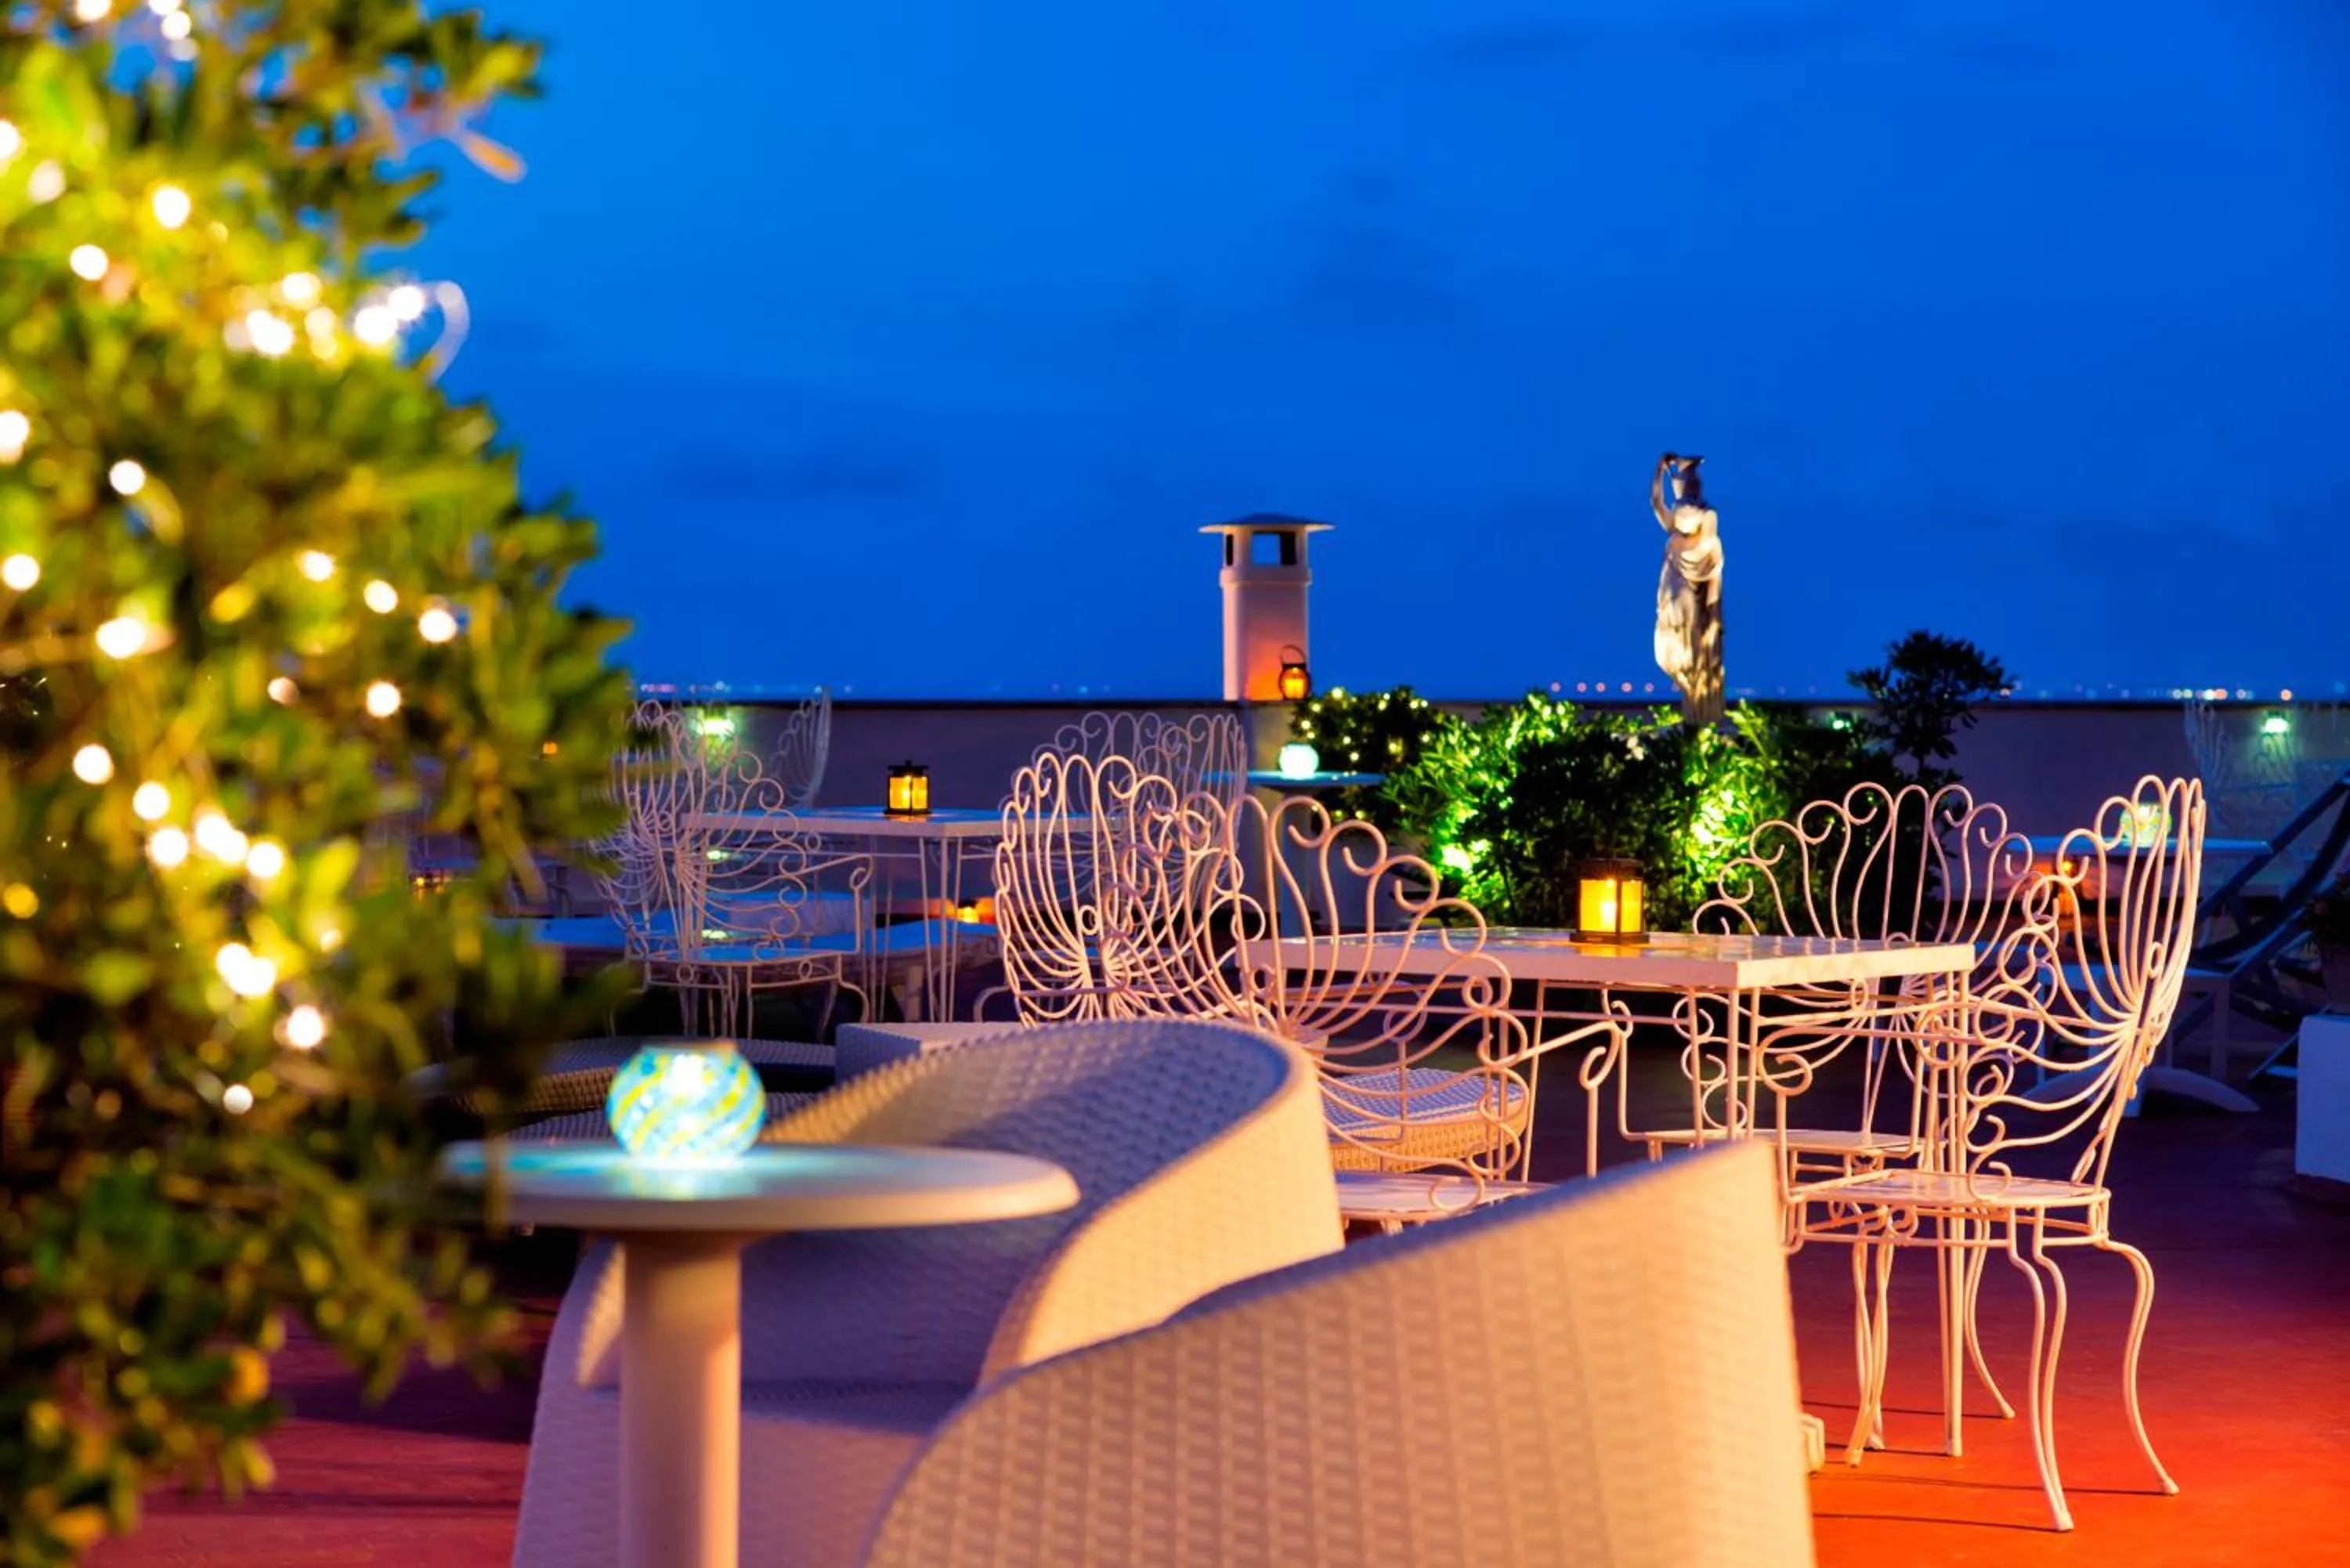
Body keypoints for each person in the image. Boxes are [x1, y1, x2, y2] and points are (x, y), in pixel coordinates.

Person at [1650, 452, 1725, 727]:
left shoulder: (1707, 514)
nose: (1688, 486)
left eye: (1691, 481)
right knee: (1674, 633)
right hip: (1673, 580)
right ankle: (1689, 696)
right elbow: (1655, 503)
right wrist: (1659, 470)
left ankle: (1698, 705)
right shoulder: (1673, 526)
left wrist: (1713, 607)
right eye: (1683, 482)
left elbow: (1712, 555)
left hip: (1693, 582)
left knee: (1695, 634)